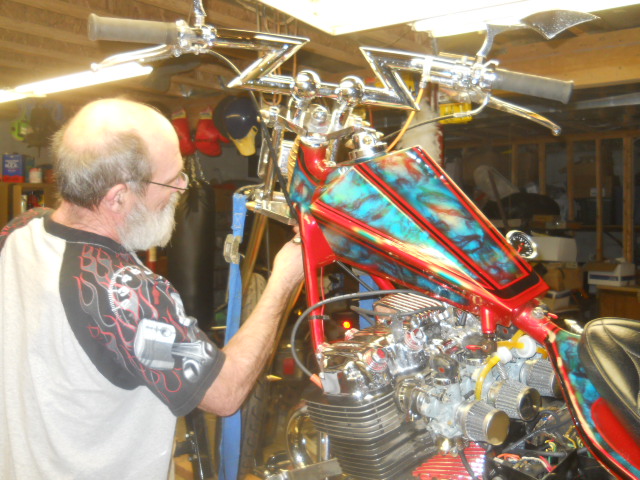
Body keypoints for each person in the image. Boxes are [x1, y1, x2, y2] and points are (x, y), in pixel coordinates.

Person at [0, 98, 304, 479]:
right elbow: (225, 392)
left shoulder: (21, 230)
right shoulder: (122, 291)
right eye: (171, 179)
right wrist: (284, 279)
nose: (183, 186)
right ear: (118, 196)